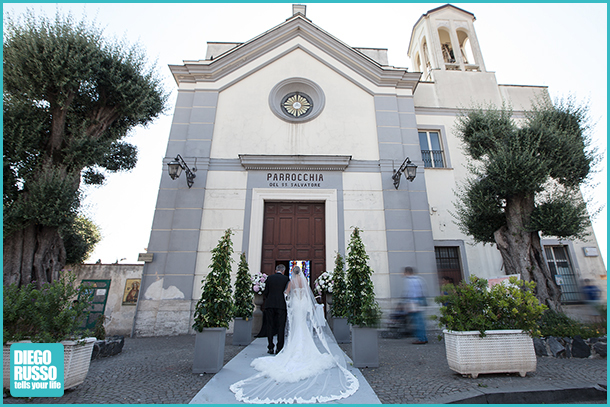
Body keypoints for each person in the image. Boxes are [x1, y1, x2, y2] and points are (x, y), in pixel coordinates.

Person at [230, 266, 359, 403]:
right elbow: (308, 295)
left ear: (292, 272)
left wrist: (288, 301)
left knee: (294, 325)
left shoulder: (290, 281)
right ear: (301, 273)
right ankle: (301, 346)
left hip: (295, 305)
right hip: (303, 304)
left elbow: (286, 293)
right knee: (302, 325)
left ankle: (280, 346)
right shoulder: (303, 281)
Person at [262, 264, 290, 354]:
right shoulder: (286, 279)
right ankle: (279, 347)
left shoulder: (269, 278)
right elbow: (288, 293)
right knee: (280, 326)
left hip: (269, 304)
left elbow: (265, 291)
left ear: (275, 270)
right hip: (281, 305)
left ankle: (270, 347)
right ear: (283, 271)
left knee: (270, 326)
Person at [402, 266, 428, 344]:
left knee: (417, 321)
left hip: (414, 300)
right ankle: (423, 337)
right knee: (420, 321)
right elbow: (423, 290)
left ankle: (421, 338)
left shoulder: (409, 280)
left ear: (407, 272)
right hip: (420, 300)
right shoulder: (419, 279)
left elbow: (410, 292)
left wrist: (407, 302)